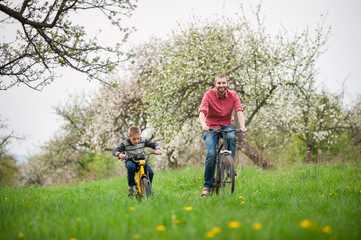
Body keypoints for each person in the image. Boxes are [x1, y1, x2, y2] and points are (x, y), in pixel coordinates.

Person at [198, 74, 247, 198]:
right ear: (215, 84)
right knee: (212, 154)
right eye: (219, 83)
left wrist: (242, 126)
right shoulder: (208, 95)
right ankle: (207, 186)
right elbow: (202, 111)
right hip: (210, 127)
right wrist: (204, 124)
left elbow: (239, 111)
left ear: (227, 83)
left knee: (231, 137)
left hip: (226, 125)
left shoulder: (233, 95)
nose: (221, 85)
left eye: (223, 83)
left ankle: (229, 166)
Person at [112, 126, 162, 196]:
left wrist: (158, 149)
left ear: (140, 136)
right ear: (129, 137)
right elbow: (115, 151)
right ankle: (131, 187)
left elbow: (154, 144)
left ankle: (149, 188)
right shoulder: (125, 143)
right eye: (134, 139)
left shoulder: (143, 140)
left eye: (138, 138)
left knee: (150, 173)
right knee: (131, 167)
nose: (136, 141)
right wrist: (119, 155)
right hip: (130, 160)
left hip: (141, 160)